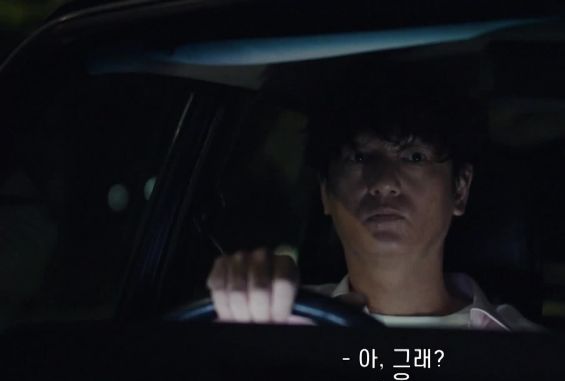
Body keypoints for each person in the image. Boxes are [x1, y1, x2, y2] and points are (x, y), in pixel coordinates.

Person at [206, 76, 541, 331]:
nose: (383, 182)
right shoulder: (276, 320)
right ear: (325, 192)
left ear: (460, 189)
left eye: (414, 157)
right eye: (359, 157)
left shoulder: (524, 350)